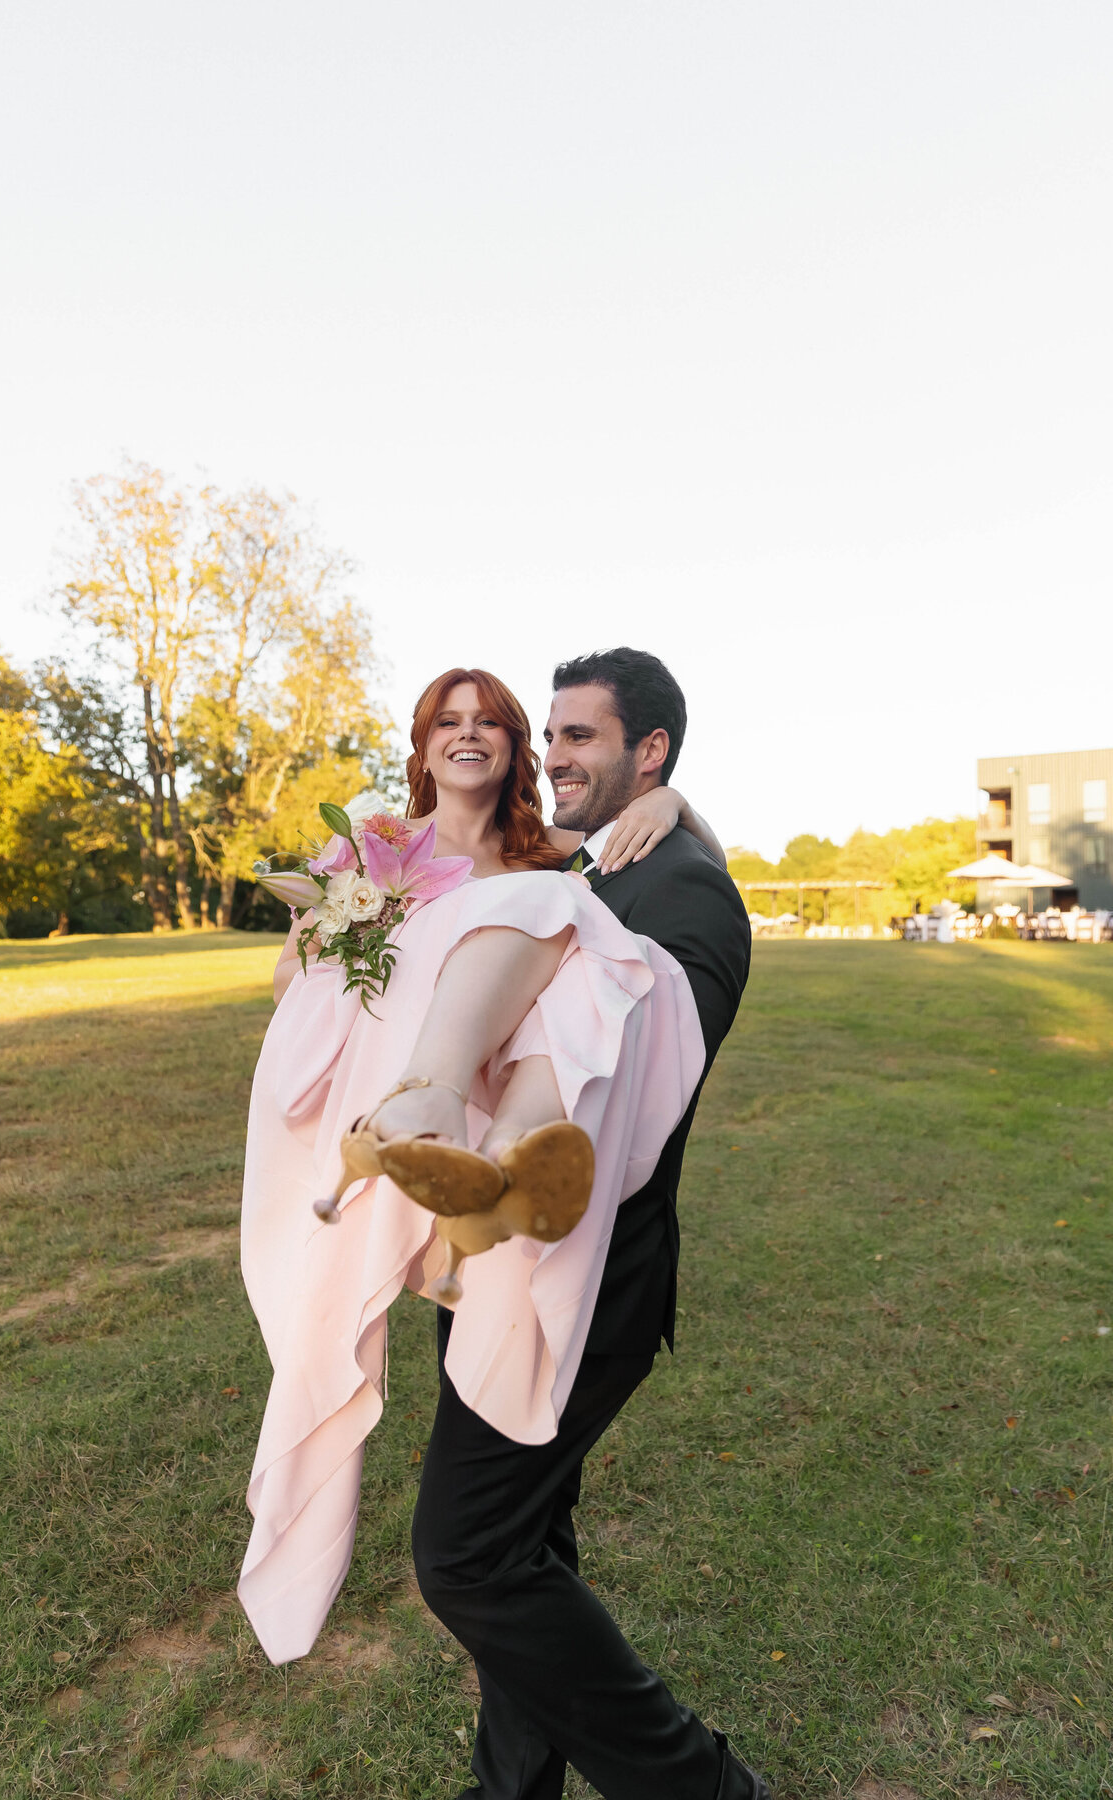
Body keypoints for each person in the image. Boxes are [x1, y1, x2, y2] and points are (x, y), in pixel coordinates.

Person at [239, 666, 712, 1658]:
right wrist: (348, 923)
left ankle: (509, 1167)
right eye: (447, 721)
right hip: (400, 1093)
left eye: (491, 723)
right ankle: (460, 1144)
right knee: (556, 923)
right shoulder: (373, 850)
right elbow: (288, 978)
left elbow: (663, 874)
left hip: (489, 1131)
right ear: (421, 744)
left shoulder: (553, 857)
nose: (469, 735)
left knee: (573, 931)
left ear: (514, 750)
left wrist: (671, 797)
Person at [411, 649, 764, 1800]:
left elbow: (633, 1073)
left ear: (646, 751)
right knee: (524, 1547)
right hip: (494, 1270)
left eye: (582, 739)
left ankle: (700, 1787)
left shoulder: (683, 893)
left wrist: (680, 817)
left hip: (583, 1286)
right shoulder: (594, 868)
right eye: (550, 736)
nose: (553, 756)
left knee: (465, 1559)